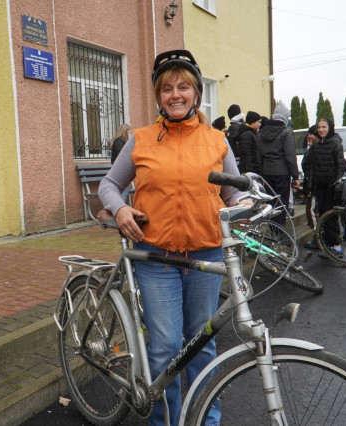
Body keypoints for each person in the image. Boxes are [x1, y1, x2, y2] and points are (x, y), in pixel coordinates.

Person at [98, 49, 248, 426]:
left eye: (183, 87)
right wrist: (120, 209)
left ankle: (206, 421)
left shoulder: (217, 141)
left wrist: (246, 205)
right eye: (167, 89)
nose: (175, 94)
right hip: (156, 257)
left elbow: (233, 192)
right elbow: (109, 185)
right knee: (165, 348)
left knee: (202, 344)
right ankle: (164, 421)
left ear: (196, 93)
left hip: (205, 255)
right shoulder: (141, 139)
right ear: (158, 96)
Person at [304, 117, 344, 256]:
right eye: (319, 127)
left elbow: (340, 166)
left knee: (331, 217)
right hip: (319, 187)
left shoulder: (335, 143)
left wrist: (337, 185)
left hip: (332, 186)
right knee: (323, 216)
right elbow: (312, 168)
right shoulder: (316, 146)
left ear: (330, 127)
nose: (321, 130)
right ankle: (328, 246)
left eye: (324, 127)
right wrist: (309, 186)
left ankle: (336, 247)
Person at [257, 102, 299, 226]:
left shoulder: (261, 133)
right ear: (285, 117)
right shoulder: (286, 132)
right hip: (282, 173)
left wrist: (261, 174)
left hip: (267, 173)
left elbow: (259, 156)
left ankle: (272, 230)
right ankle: (279, 230)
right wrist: (295, 176)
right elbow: (290, 156)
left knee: (270, 203)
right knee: (281, 203)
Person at [302, 125, 320, 248]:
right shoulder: (313, 149)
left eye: (311, 135)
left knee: (312, 211)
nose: (309, 137)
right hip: (314, 184)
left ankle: (318, 237)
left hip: (314, 186)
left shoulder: (316, 151)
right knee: (314, 211)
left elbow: (311, 170)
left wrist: (309, 187)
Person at [110, 123, 133, 201]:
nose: (130, 134)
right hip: (120, 170)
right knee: (123, 193)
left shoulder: (120, 141)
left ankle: (118, 207)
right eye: (129, 132)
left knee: (122, 193)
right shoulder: (119, 141)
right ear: (125, 131)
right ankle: (119, 207)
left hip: (120, 170)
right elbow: (123, 155)